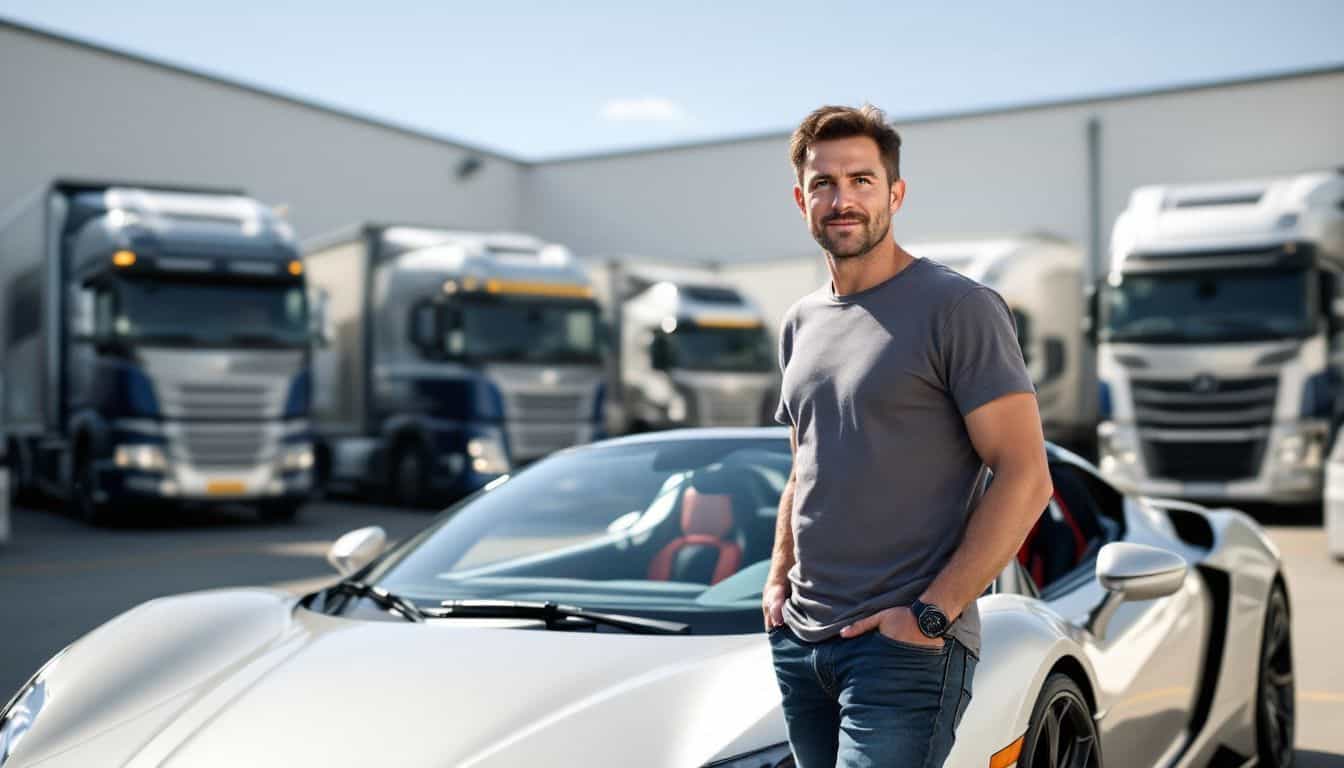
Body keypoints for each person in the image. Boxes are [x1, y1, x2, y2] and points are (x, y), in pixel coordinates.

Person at [764, 104, 1053, 767]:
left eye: (862, 181)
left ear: (895, 193)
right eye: (824, 184)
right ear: (800, 199)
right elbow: (803, 466)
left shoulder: (958, 308)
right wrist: (777, 583)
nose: (842, 200)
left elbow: (1025, 475)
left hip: (901, 649)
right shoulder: (800, 322)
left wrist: (929, 615)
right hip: (803, 643)